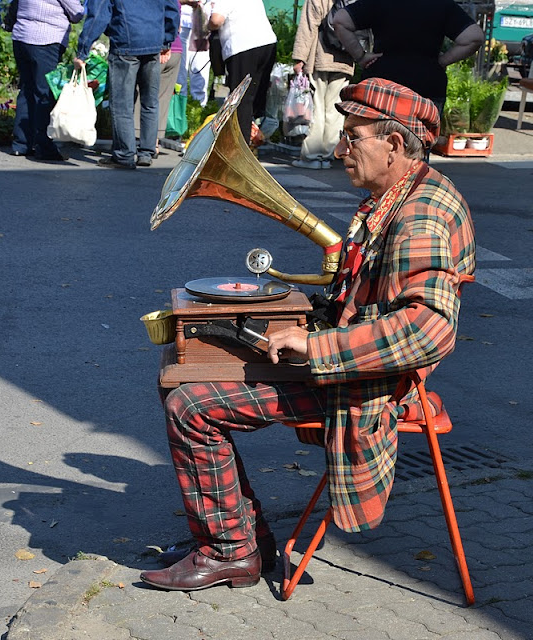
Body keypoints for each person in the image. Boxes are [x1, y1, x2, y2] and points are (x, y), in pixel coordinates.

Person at [139, 77, 476, 593]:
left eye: (352, 137)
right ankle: (241, 539)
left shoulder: (420, 216)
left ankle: (231, 550)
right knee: (180, 375)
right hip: (353, 368)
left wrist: (315, 344)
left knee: (191, 404)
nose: (340, 149)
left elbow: (429, 330)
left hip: (368, 390)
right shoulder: (399, 193)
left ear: (394, 143)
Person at [73, 0, 179, 169]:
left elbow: (98, 15)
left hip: (125, 44)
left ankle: (124, 155)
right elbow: (172, 10)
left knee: (122, 104)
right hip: (153, 43)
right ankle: (146, 152)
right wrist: (166, 41)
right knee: (150, 102)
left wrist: (82, 52)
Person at [332, 0, 485, 113]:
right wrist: (442, 61)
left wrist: (360, 57)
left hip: (382, 85)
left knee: (379, 140)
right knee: (419, 143)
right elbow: (474, 37)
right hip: (427, 85)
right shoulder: (442, 4)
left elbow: (340, 20)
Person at [10, 0, 84, 160]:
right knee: (44, 93)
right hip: (45, 40)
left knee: (26, 89)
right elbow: (77, 13)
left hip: (21, 37)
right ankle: (44, 147)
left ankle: (21, 144)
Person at [291, 0, 354, 170]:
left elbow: (308, 26)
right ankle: (328, 156)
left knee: (317, 107)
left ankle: (311, 157)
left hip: (320, 58)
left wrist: (299, 58)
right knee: (335, 111)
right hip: (345, 59)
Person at [207, 0, 277, 143]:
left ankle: (241, 143)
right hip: (267, 43)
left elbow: (216, 20)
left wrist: (206, 26)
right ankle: (254, 136)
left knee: (240, 99)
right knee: (255, 96)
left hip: (242, 46)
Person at [134, 0, 183, 162]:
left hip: (155, 47)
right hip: (175, 49)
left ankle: (140, 139)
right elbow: (177, 24)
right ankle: (154, 143)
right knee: (162, 97)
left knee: (143, 94)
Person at [177, 0, 211, 108]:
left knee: (199, 73)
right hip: (181, 25)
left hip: (203, 23)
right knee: (179, 77)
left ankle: (199, 109)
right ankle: (179, 110)